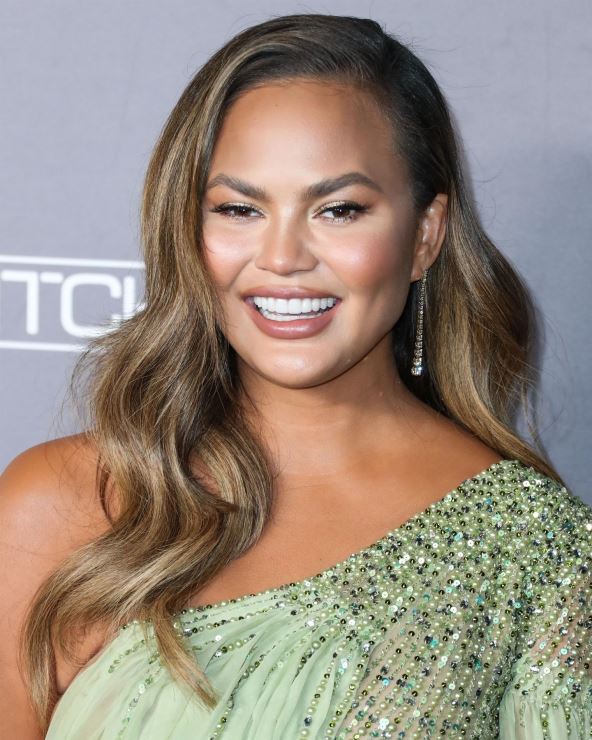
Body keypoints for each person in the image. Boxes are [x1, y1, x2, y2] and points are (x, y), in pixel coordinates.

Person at [1, 12, 590, 740]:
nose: (282, 257)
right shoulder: (59, 504)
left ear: (425, 234)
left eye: (338, 210)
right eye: (239, 208)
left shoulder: (536, 553)